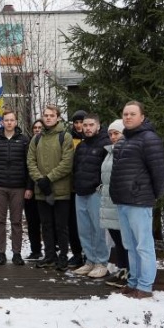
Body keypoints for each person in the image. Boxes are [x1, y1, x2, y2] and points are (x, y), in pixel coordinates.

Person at [110, 101, 164, 299]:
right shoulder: (124, 140)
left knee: (143, 245)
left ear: (142, 117)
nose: (128, 117)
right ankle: (133, 281)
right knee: (130, 245)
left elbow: (160, 172)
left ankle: (145, 286)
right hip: (123, 201)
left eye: (132, 114)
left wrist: (153, 195)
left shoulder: (149, 139)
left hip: (139, 201)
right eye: (125, 114)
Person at [27, 105, 74, 271]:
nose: (48, 118)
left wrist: (49, 178)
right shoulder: (36, 139)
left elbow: (67, 163)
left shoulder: (65, 137)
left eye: (51, 115)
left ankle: (62, 257)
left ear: (58, 117)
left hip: (60, 191)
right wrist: (40, 180)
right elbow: (30, 161)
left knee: (61, 226)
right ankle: (49, 256)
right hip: (41, 191)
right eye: (45, 115)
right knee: (46, 225)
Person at [0, 110, 31, 266]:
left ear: (16, 122)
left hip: (18, 187)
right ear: (2, 122)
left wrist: (29, 187)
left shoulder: (24, 140)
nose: (9, 122)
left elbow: (29, 165)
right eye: (6, 120)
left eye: (12, 120)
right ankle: (1, 253)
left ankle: (17, 253)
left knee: (16, 221)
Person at [71, 114, 111, 279]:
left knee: (98, 229)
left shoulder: (105, 144)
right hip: (80, 193)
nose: (87, 128)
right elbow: (75, 168)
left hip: (96, 193)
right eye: (85, 125)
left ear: (98, 126)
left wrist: (99, 186)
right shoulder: (81, 146)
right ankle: (90, 260)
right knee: (84, 230)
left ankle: (101, 262)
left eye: (90, 125)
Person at [100, 119, 129, 288]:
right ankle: (122, 268)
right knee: (118, 240)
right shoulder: (110, 152)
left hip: (119, 202)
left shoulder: (125, 151)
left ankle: (129, 271)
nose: (112, 137)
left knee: (125, 240)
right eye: (110, 134)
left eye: (116, 133)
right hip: (108, 202)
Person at [67, 109, 87, 268]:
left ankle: (89, 253)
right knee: (72, 223)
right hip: (71, 187)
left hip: (87, 186)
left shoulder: (92, 139)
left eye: (82, 122)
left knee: (88, 224)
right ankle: (76, 253)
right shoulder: (68, 138)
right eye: (77, 123)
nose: (79, 126)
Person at [24, 119, 44, 260]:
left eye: (40, 127)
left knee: (48, 222)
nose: (37, 129)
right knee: (32, 222)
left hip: (46, 188)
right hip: (31, 189)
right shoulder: (28, 144)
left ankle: (51, 250)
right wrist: (28, 187)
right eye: (35, 127)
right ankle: (35, 250)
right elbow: (27, 168)